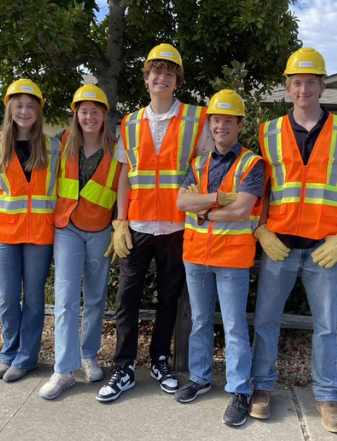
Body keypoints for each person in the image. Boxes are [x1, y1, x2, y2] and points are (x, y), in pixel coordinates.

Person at [97, 43, 214, 403]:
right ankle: (124, 368)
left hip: (179, 228)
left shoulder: (198, 119)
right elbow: (125, 177)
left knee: (169, 299)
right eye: (155, 72)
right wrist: (120, 220)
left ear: (176, 79)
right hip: (138, 226)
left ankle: (160, 361)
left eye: (168, 72)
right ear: (146, 79)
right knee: (126, 299)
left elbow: (208, 170)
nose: (161, 78)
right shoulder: (129, 123)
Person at [250, 47, 337, 433]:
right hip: (278, 244)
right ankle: (261, 388)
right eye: (297, 82)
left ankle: (327, 397)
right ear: (287, 87)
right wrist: (259, 227)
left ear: (323, 85)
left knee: (327, 326)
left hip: (324, 249)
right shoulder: (269, 131)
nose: (304, 89)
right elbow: (261, 187)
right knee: (265, 321)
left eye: (311, 82)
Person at [173, 89, 266, 427]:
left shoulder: (252, 164)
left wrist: (205, 213)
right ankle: (199, 378)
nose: (221, 125)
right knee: (199, 320)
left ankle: (239, 390)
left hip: (232, 259)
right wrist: (216, 199)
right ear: (209, 123)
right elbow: (182, 203)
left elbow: (242, 209)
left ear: (240, 124)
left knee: (234, 326)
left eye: (229, 120)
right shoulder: (198, 162)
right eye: (216, 119)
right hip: (196, 255)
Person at [38, 85, 121, 400]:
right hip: (68, 227)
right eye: (84, 111)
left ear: (104, 116)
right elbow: (28, 143)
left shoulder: (117, 149)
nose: (89, 116)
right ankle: (63, 369)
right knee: (65, 299)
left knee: (96, 298)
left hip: (100, 229)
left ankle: (88, 355)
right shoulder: (61, 144)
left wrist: (119, 225)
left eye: (95, 111)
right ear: (76, 114)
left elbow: (124, 188)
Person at [0, 79, 60, 383]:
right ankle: (9, 353)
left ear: (38, 111)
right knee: (7, 297)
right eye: (19, 105)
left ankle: (26, 358)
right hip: (5, 231)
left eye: (30, 106)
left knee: (33, 298)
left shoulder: (53, 146)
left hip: (41, 232)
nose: (24, 111)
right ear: (10, 109)